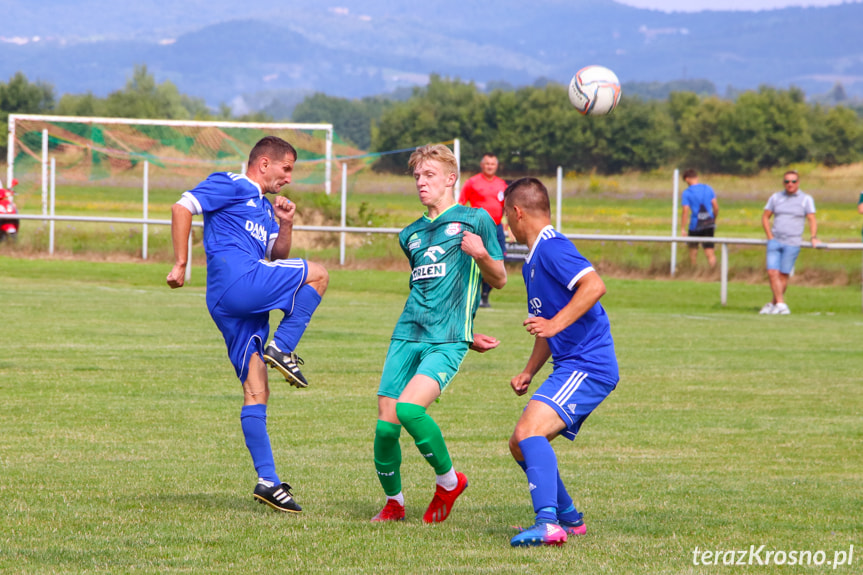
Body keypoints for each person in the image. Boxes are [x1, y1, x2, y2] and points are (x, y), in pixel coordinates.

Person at [166, 136, 329, 513]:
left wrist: (285, 223)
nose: (288, 177)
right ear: (265, 164)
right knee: (318, 274)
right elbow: (181, 207)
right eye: (286, 168)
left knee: (257, 390)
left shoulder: (265, 209)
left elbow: (276, 255)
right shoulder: (234, 183)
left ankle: (268, 481)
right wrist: (180, 263)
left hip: (232, 302)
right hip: (238, 284)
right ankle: (283, 347)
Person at [371, 144, 507, 523]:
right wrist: (473, 327)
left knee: (410, 410)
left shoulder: (475, 220)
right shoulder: (410, 234)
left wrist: (481, 255)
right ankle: (395, 504)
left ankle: (449, 482)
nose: (420, 182)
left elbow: (501, 278)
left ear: (451, 178)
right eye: (416, 176)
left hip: (446, 339)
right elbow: (430, 288)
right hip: (406, 334)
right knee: (385, 428)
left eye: (429, 175)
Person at [502, 177, 619, 548]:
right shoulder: (532, 261)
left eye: (506, 217)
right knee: (520, 443)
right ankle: (569, 520)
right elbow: (547, 325)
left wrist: (554, 324)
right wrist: (528, 370)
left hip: (588, 364)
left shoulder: (553, 248)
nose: (506, 225)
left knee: (529, 433)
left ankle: (548, 524)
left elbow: (594, 286)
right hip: (569, 365)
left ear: (518, 212)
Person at [759, 170, 819, 315]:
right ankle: (781, 303)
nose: (790, 184)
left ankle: (774, 304)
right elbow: (765, 216)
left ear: (798, 183)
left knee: (783, 275)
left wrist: (813, 236)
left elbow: (811, 219)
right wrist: (769, 236)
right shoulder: (776, 197)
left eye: (793, 181)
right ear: (783, 183)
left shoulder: (806, 199)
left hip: (792, 242)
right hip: (775, 240)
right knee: (772, 272)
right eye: (787, 181)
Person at [458, 153, 508, 307]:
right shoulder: (472, 182)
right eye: (487, 163)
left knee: (497, 262)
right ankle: (473, 295)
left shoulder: (502, 185)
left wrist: (509, 226)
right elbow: (460, 203)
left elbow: (506, 208)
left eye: (493, 164)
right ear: (482, 165)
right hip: (478, 228)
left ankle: (485, 296)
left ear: (497, 166)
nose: (490, 166)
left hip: (497, 228)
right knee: (478, 260)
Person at [679, 169, 719, 268]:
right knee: (710, 252)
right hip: (709, 224)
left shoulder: (687, 193)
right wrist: (713, 218)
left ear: (687, 179)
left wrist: (683, 228)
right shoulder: (708, 188)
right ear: (696, 177)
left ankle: (693, 272)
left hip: (695, 225)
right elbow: (716, 206)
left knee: (693, 252)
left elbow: (685, 211)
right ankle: (714, 272)